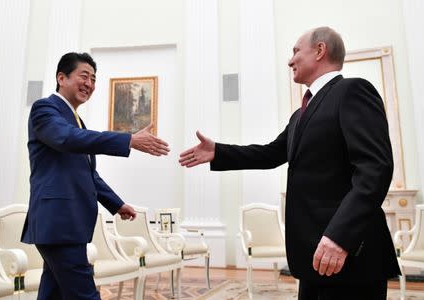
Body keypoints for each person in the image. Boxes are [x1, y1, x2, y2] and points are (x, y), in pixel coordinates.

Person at [179, 27, 400, 299]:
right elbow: (271, 153)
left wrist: (340, 237)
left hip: (348, 252)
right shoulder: (300, 114)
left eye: (296, 51)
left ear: (320, 51)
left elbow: (375, 169)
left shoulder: (352, 91)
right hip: (313, 255)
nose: (290, 60)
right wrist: (219, 152)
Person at [21, 52, 170, 300]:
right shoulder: (44, 109)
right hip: (59, 222)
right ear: (61, 77)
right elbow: (66, 139)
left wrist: (116, 203)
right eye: (84, 76)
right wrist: (128, 139)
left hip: (64, 224)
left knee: (53, 293)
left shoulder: (76, 120)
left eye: (93, 79)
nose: (89, 84)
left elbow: (88, 173)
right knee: (85, 294)